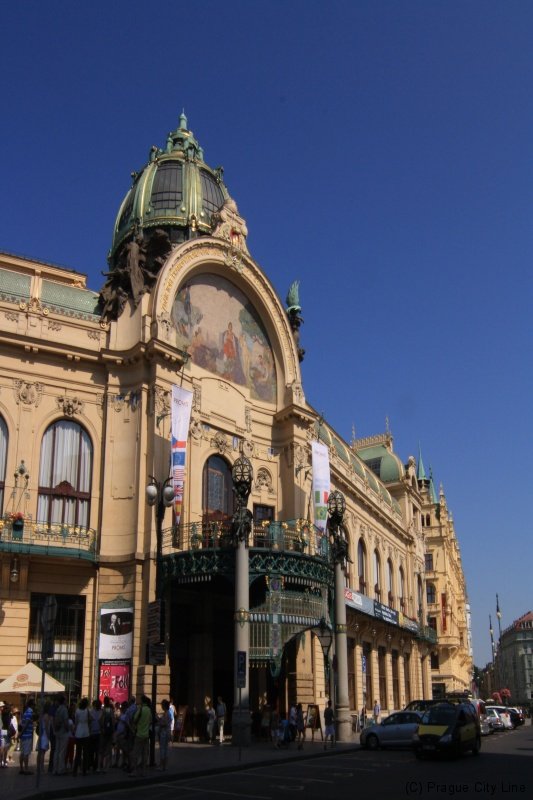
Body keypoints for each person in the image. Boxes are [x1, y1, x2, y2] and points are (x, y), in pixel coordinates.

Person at [128, 695, 152, 777]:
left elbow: (134, 719)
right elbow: (150, 720)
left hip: (139, 735)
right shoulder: (149, 710)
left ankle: (134, 771)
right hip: (146, 735)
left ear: (142, 701)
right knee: (144, 754)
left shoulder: (140, 709)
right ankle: (143, 771)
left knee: (135, 753)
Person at [73, 698, 90, 776]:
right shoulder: (87, 711)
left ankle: (75, 770)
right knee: (85, 753)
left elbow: (76, 722)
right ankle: (84, 770)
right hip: (86, 733)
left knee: (78, 753)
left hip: (78, 733)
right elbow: (89, 721)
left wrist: (75, 730)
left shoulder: (77, 711)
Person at [52, 695, 69, 775]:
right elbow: (65, 721)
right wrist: (67, 728)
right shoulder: (64, 709)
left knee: (57, 750)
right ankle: (60, 769)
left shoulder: (57, 709)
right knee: (62, 751)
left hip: (57, 731)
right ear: (64, 701)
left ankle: (55, 768)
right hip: (63, 731)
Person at [18, 698, 35, 775]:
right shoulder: (29, 712)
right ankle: (26, 769)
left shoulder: (25, 712)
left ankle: (21, 768)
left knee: (22, 752)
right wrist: (22, 733)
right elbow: (27, 724)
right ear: (32, 705)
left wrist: (21, 734)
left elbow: (22, 724)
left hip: (23, 736)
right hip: (27, 735)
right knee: (26, 753)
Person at [36, 701, 51, 774]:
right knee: (43, 753)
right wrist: (48, 736)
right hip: (45, 735)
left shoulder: (41, 716)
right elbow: (47, 727)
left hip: (41, 734)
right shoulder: (47, 716)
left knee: (39, 753)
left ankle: (38, 767)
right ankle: (42, 768)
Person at [158, 700, 171, 769]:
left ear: (164, 706)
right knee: (166, 749)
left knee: (162, 749)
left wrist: (159, 722)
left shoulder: (166, 713)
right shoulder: (168, 713)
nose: (161, 706)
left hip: (164, 732)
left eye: (162, 705)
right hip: (167, 732)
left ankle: (162, 765)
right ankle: (165, 765)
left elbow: (164, 723)